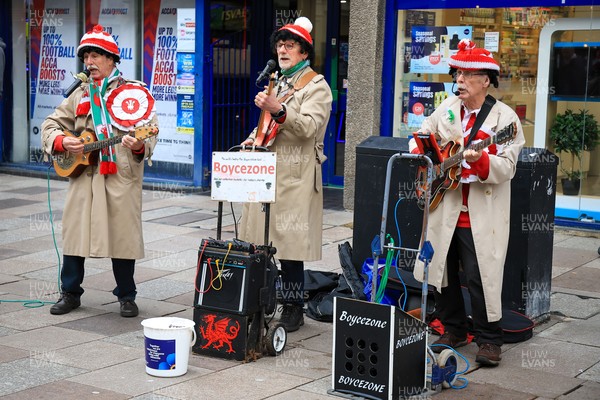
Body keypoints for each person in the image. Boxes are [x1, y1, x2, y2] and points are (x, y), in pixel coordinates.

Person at [409, 39, 525, 366]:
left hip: (480, 212)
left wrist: (481, 161)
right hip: (445, 205)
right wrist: (427, 158)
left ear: (485, 80)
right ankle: (454, 329)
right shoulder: (446, 108)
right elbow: (421, 136)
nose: (458, 80)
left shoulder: (505, 119)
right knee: (442, 270)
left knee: (479, 276)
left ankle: (490, 340)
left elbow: (508, 166)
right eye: (457, 73)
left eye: (466, 74)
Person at [41, 25, 158, 317]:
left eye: (95, 56)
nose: (89, 63)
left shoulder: (134, 91)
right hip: (84, 175)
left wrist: (138, 146)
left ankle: (127, 296)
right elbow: (51, 123)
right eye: (86, 57)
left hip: (120, 174)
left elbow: (150, 132)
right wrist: (61, 140)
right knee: (75, 234)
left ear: (111, 59)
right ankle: (70, 293)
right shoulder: (79, 93)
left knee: (123, 235)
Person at [239, 17, 332, 332]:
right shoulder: (277, 82)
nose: (282, 49)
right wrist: (252, 138)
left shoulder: (316, 85)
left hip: (296, 174)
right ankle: (265, 299)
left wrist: (279, 109)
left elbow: (308, 128)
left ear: (304, 52)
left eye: (290, 45)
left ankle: (294, 307)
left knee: (290, 248)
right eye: (280, 44)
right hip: (266, 170)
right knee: (260, 241)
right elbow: (267, 125)